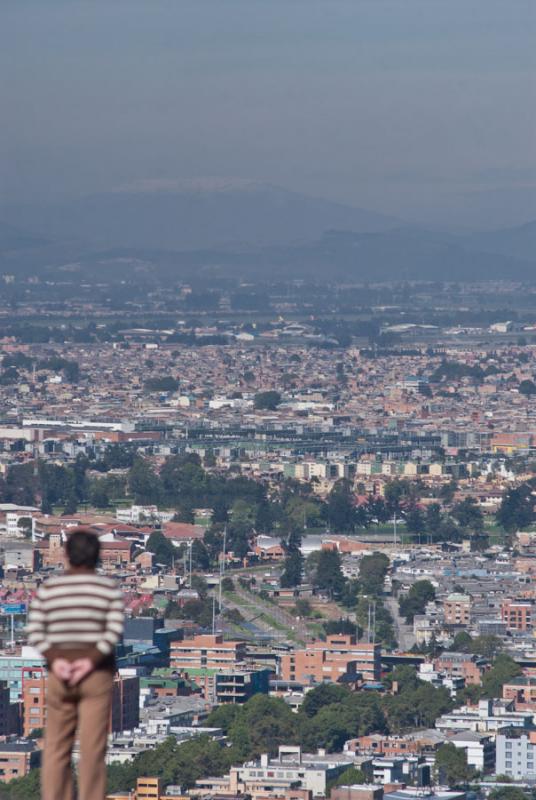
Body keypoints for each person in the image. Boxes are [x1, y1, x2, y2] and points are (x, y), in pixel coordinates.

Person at [27, 527, 124, 800]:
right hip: (96, 674)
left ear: (67, 556)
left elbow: (35, 631)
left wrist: (56, 661)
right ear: (98, 558)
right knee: (93, 749)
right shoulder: (108, 589)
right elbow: (113, 632)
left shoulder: (50, 589)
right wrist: (88, 662)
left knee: (57, 747)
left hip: (60, 674)